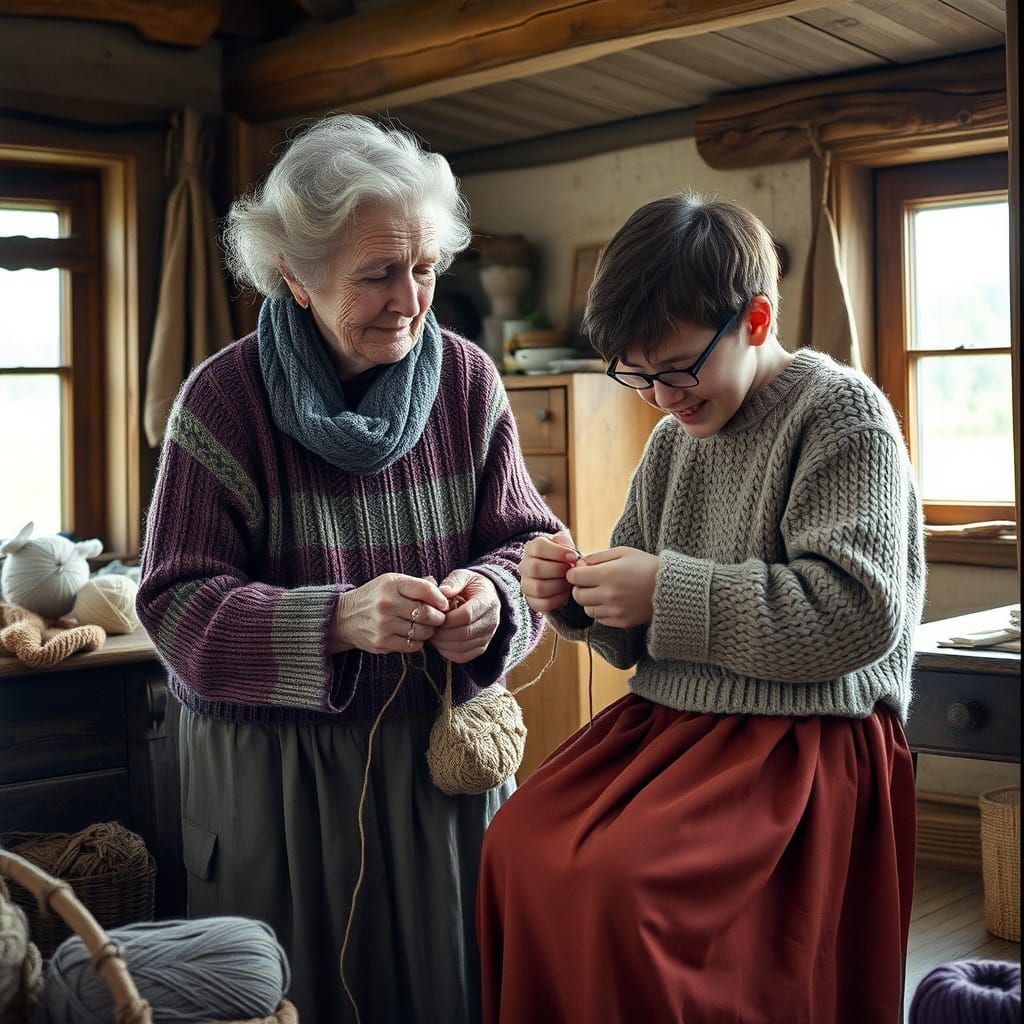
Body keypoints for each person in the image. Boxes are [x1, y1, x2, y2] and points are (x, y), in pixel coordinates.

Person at [136, 113, 560, 1024]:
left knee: (457, 992)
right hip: (277, 787)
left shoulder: (470, 382)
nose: (409, 299)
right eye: (376, 274)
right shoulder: (222, 401)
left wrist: (492, 596)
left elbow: (531, 548)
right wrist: (334, 620)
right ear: (293, 273)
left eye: (423, 268)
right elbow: (173, 607)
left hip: (440, 773)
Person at [478, 193, 924, 1023]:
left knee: (620, 885)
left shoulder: (841, 415)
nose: (660, 396)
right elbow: (633, 627)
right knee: (516, 843)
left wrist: (664, 589)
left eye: (678, 367)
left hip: (802, 737)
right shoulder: (672, 436)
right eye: (637, 375)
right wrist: (576, 597)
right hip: (677, 722)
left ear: (755, 319)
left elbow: (858, 615)